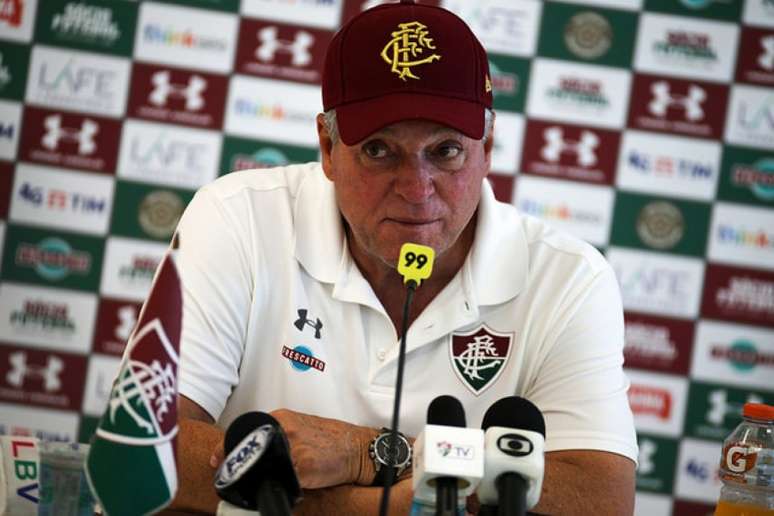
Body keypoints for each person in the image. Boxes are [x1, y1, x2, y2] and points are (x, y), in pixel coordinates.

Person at [169, 1, 638, 514]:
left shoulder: (568, 277)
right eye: (378, 150)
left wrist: (363, 452)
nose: (417, 190)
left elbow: (600, 496)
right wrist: (383, 503)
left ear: (488, 147)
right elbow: (150, 445)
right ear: (328, 147)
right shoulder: (240, 217)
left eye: (445, 151)